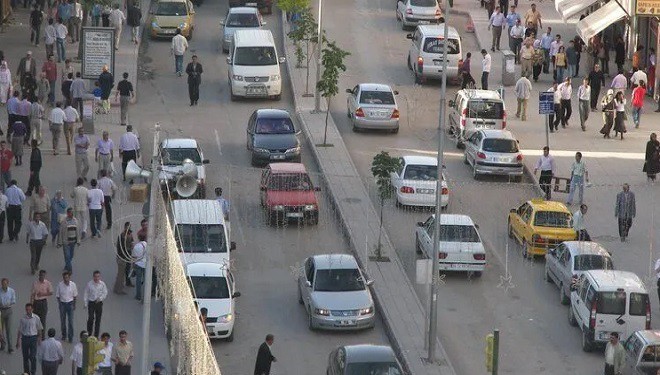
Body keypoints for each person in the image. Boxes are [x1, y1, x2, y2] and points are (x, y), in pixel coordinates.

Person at [16, 303, 43, 375]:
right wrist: (18, 341)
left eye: (29, 309)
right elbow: (20, 330)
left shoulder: (36, 318)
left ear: (32, 309)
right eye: (27, 310)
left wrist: (39, 339)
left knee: (33, 356)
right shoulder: (23, 319)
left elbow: (39, 328)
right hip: (25, 338)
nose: (28, 311)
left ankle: (33, 371)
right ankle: (26, 372)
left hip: (33, 338)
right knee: (25, 357)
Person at [84, 270, 107, 338]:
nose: (96, 278)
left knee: (98, 320)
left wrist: (100, 298)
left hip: (99, 303)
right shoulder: (89, 284)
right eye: (95, 276)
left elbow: (105, 292)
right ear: (93, 277)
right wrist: (85, 303)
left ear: (99, 277)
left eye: (98, 276)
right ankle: (89, 333)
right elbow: (86, 293)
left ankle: (96, 336)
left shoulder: (102, 284)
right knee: (91, 318)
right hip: (91, 303)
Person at [58, 209, 80, 274]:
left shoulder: (75, 221)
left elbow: (77, 231)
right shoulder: (64, 222)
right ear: (67, 213)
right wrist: (59, 242)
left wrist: (78, 241)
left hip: (73, 242)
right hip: (66, 242)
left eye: (72, 212)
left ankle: (67, 265)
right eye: (70, 213)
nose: (71, 214)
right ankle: (70, 269)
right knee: (67, 255)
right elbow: (60, 232)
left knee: (71, 255)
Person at [114, 222, 133, 294]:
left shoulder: (128, 234)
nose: (128, 229)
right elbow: (121, 248)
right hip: (122, 258)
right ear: (125, 227)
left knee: (121, 273)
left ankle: (117, 287)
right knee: (121, 275)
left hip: (125, 257)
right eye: (127, 227)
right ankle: (119, 290)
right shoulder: (122, 236)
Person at [0, 278, 17, 353]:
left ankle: (10, 347)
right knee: (0, 330)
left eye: (5, 283)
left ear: (8, 284)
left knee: (8, 329)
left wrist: (8, 303)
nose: (4, 285)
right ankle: (2, 343)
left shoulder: (11, 291)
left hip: (8, 310)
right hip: (0, 311)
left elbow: (13, 300)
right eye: (2, 283)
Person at [132, 232, 147, 301]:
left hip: (138, 264)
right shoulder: (148, 245)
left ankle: (138, 295)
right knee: (145, 280)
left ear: (138, 238)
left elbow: (134, 257)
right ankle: (145, 296)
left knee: (138, 280)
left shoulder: (136, 246)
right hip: (145, 264)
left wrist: (133, 265)